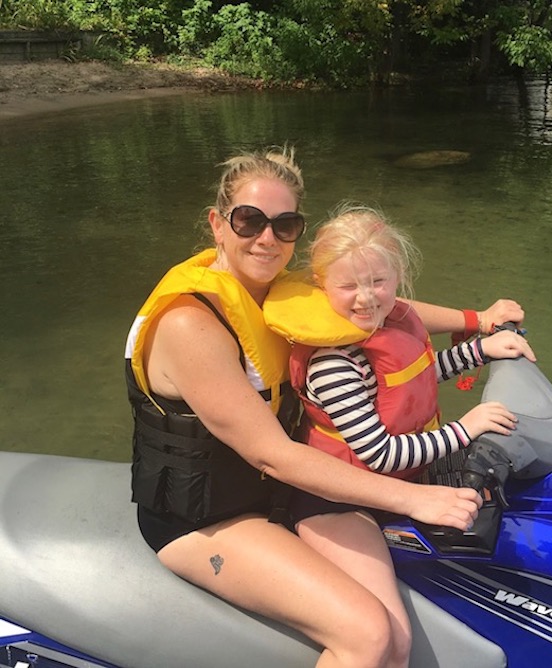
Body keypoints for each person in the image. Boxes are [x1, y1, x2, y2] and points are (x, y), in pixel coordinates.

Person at [124, 146, 523, 668]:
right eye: (249, 221)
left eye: (284, 225)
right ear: (218, 225)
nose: (267, 238)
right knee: (369, 636)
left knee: (398, 642)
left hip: (280, 492)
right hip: (206, 517)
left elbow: (386, 309)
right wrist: (414, 500)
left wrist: (477, 320)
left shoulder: (277, 289)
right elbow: (272, 456)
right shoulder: (190, 324)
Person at [265, 204, 536, 668]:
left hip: (398, 481)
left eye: (378, 282)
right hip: (340, 499)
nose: (366, 298)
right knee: (391, 643)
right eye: (348, 285)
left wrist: (481, 349)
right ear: (321, 284)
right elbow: (379, 452)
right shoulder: (334, 362)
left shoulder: (392, 322)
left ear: (399, 275)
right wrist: (465, 428)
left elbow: (417, 377)